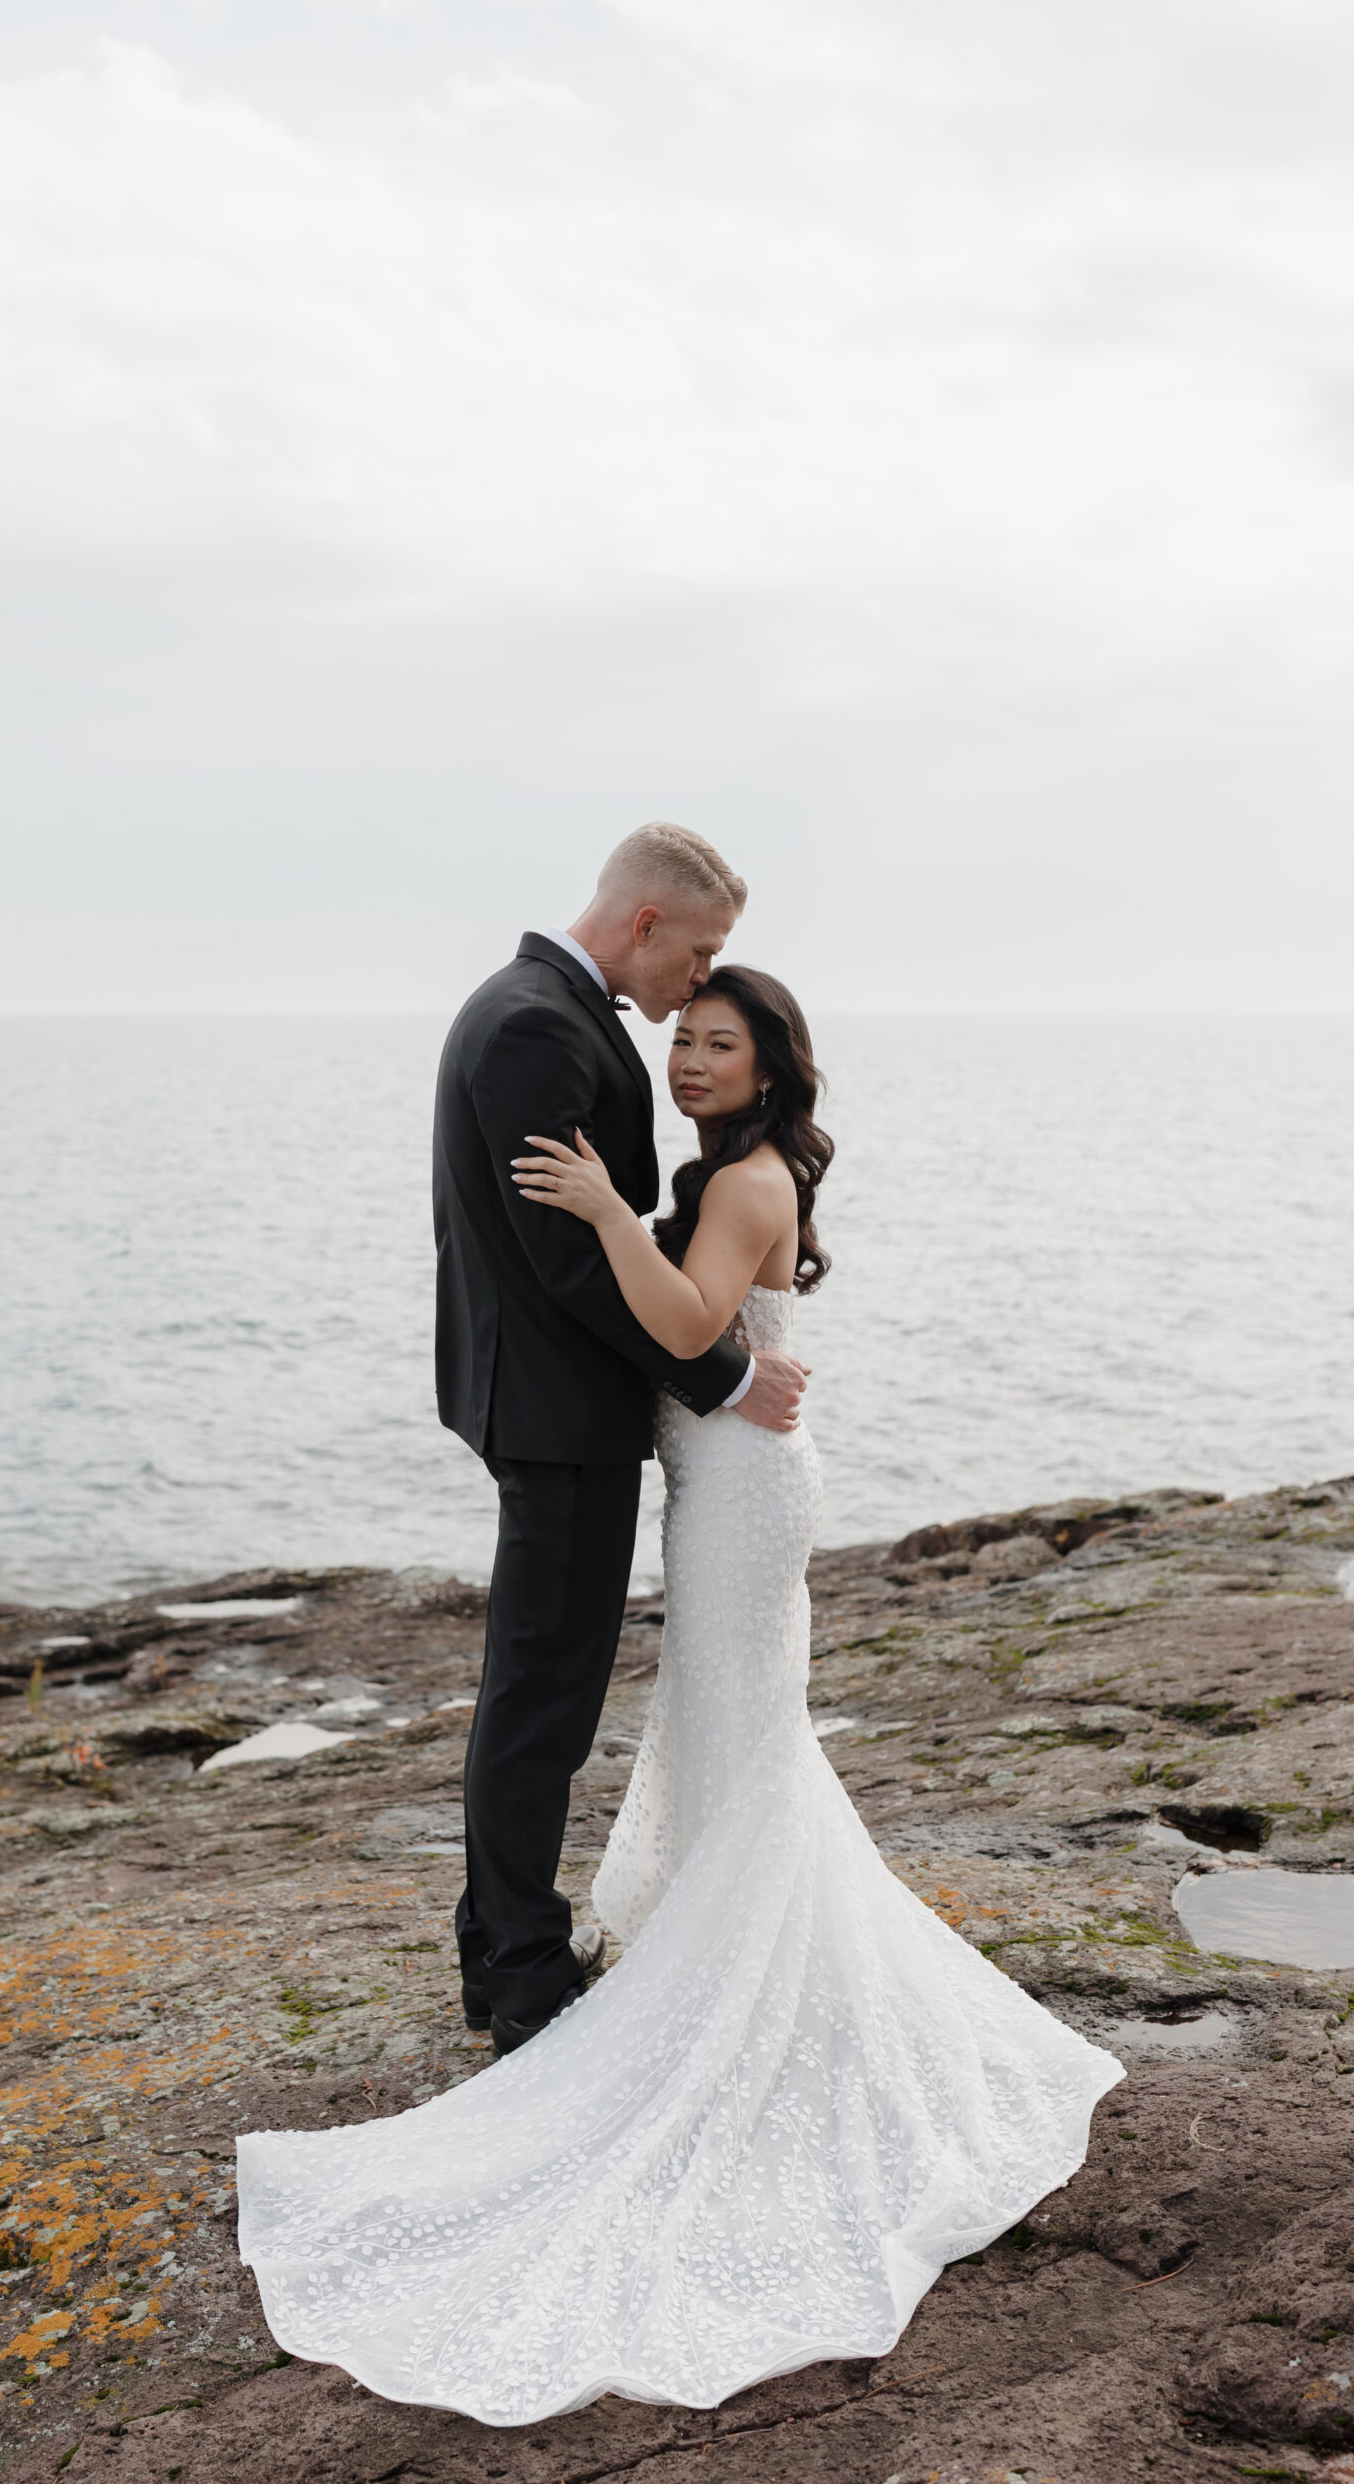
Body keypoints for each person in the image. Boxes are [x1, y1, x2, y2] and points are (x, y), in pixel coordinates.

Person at [236, 946, 1124, 2426]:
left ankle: (745, 1975)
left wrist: (596, 1211)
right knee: (730, 1728)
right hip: (725, 1483)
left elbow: (679, 1327)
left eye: (717, 1045)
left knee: (742, 1730)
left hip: (738, 1491)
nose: (690, 1061)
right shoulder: (732, 1170)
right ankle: (726, 1942)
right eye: (686, 1040)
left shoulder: (740, 1182)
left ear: (769, 1069)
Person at [427, 822, 809, 2053]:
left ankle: (501, 1944)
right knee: (543, 1695)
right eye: (696, 954)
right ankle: (524, 1972)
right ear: (647, 924)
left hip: (553, 1407)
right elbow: (571, 1266)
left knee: (538, 1686)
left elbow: (603, 1249)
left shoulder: (532, 1005)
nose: (695, 982)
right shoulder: (540, 1022)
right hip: (556, 1413)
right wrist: (724, 1370)